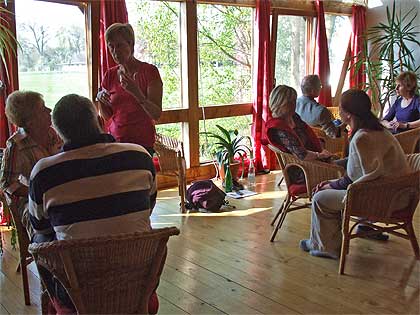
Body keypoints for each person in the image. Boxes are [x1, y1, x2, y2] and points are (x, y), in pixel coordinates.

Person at [28, 94, 158, 314]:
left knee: (39, 238)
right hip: (138, 284)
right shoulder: (139, 157)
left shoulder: (44, 172)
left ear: (58, 133)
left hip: (76, 296)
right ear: (98, 121)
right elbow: (149, 206)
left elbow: (42, 228)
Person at [300, 89, 410, 259]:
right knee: (329, 189)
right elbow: (361, 166)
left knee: (320, 198)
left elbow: (359, 178)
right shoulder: (378, 130)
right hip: (399, 193)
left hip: (383, 200)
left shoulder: (362, 137)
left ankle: (324, 246)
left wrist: (330, 184)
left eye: (341, 109)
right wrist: (334, 172)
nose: (339, 111)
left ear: (349, 114)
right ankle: (362, 228)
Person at [0, 91, 61, 241]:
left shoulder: (52, 133)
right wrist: (36, 192)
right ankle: (43, 257)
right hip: (31, 200)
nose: (49, 110)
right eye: (43, 108)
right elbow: (7, 183)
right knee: (44, 237)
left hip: (58, 193)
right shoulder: (16, 145)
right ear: (30, 121)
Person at [96, 23, 163, 155]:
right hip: (116, 142)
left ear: (131, 44)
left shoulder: (149, 71)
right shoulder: (110, 75)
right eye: (111, 46)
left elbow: (156, 114)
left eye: (119, 45)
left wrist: (137, 93)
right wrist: (100, 99)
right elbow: (107, 115)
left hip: (142, 144)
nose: (115, 51)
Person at [266, 85, 335, 184]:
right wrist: (320, 155)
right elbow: (302, 155)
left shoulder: (293, 117)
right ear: (279, 104)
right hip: (303, 170)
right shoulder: (278, 128)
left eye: (294, 101)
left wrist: (320, 148)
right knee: (346, 170)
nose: (293, 105)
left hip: (313, 162)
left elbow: (307, 134)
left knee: (349, 164)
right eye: (289, 103)